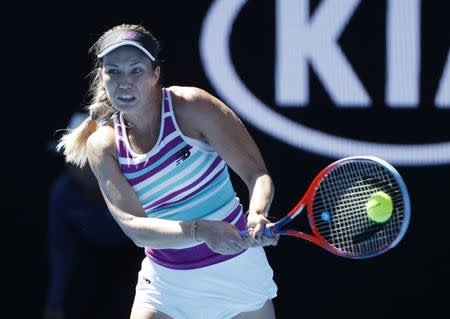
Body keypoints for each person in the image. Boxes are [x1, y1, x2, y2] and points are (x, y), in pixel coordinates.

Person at [57, 24, 278, 319]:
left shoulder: (192, 107)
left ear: (155, 73)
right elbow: (135, 227)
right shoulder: (103, 145)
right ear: (102, 76)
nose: (124, 82)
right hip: (166, 286)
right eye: (114, 71)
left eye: (136, 70)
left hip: (238, 274)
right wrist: (200, 230)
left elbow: (256, 174)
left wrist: (257, 212)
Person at [45, 113, 142, 319]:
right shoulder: (62, 194)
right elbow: (61, 249)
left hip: (138, 254)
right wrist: (54, 303)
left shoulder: (134, 184)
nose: (84, 168)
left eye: (89, 159)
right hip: (93, 258)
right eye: (76, 159)